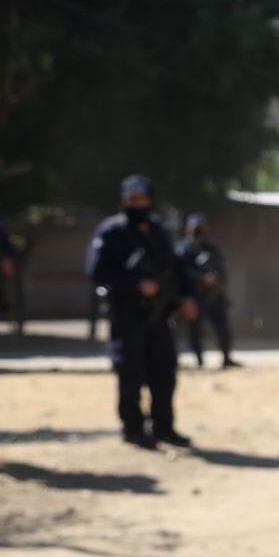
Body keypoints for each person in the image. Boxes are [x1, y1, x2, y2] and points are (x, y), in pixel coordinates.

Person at [87, 175, 198, 448]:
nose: (138, 204)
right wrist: (136, 285)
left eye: (142, 199)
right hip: (127, 315)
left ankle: (164, 426)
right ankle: (133, 428)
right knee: (131, 373)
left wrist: (186, 297)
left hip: (159, 315)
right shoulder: (111, 232)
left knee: (164, 372)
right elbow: (98, 273)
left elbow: (176, 268)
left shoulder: (158, 231)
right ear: (124, 200)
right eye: (132, 199)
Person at [177, 213, 240, 369]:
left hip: (214, 295)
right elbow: (181, 272)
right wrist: (200, 278)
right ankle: (199, 359)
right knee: (195, 331)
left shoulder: (213, 248)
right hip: (194, 296)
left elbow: (222, 268)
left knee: (223, 328)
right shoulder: (183, 249)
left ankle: (226, 357)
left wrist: (215, 278)